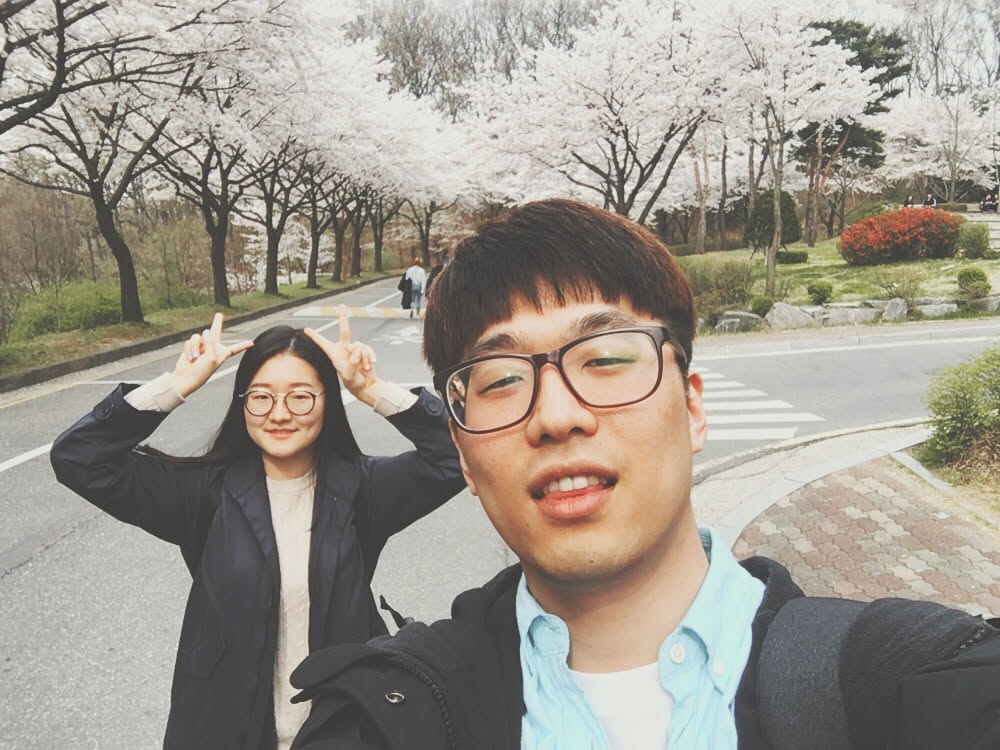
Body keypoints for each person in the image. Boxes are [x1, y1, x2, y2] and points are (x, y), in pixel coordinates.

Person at [288, 199, 1000, 750]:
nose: (556, 416)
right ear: (465, 455)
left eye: (605, 359)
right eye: (501, 379)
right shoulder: (377, 719)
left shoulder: (910, 683)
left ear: (691, 408)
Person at [50, 307, 465, 750]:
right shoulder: (203, 493)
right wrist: (178, 384)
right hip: (226, 731)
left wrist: (371, 390)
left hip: (343, 730)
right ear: (242, 402)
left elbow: (457, 455)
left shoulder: (363, 488)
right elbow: (79, 458)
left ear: (328, 400)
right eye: (261, 397)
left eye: (301, 397)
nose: (279, 413)